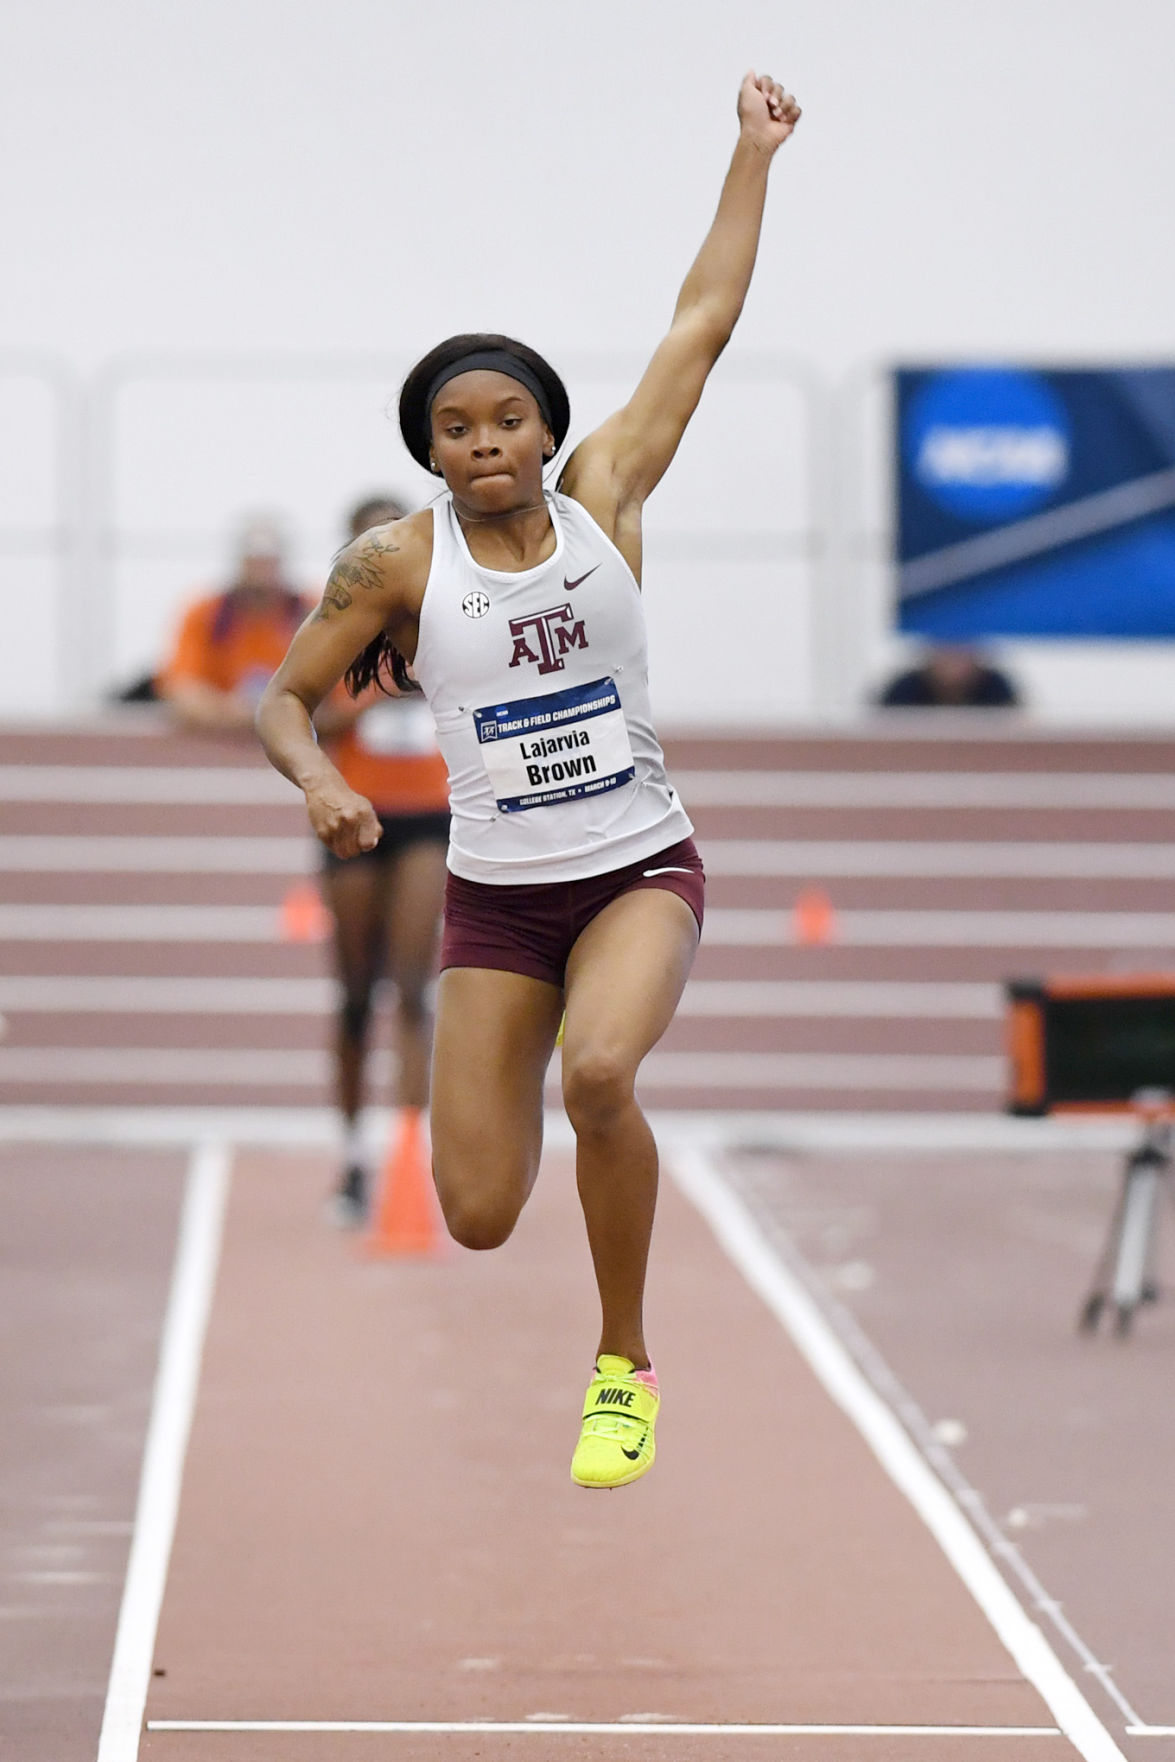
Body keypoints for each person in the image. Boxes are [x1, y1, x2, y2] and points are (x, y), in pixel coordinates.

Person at [257, 71, 802, 1489]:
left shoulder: (606, 496)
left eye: (506, 419)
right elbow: (283, 698)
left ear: (547, 431)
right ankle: (536, 1150)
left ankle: (623, 1367)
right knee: (481, 1211)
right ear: (428, 449)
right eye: (456, 427)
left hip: (635, 869)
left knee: (600, 1073)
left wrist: (750, 156)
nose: (484, 441)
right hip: (496, 903)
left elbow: (702, 320)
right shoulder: (391, 562)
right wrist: (316, 781)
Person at [316, 495, 450, 1225]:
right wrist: (375, 694)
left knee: (413, 987)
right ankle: (351, 1157)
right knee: (354, 994)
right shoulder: (334, 622)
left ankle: (407, 1154)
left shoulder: (446, 615)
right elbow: (308, 710)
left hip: (428, 814)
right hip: (352, 815)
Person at [159, 517, 310, 731]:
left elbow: (340, 700)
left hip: (301, 737)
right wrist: (240, 713)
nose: (261, 571)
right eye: (254, 561)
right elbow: (182, 691)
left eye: (268, 562)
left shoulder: (312, 614)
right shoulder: (206, 615)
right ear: (240, 563)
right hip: (220, 742)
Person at [876, 644, 1021, 708]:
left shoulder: (996, 686)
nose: (953, 660)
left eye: (961, 652)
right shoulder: (905, 688)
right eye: (946, 652)